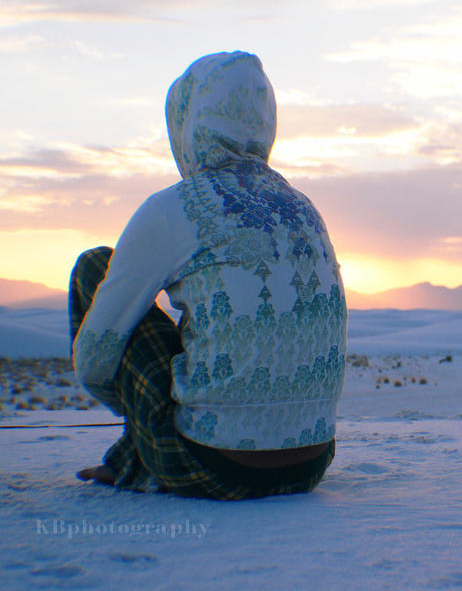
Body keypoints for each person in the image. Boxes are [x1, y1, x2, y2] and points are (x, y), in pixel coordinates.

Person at [71, 51, 348, 499]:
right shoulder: (303, 207)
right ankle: (142, 454)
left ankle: (139, 459)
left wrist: (143, 424)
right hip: (311, 464)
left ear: (187, 119)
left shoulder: (174, 206)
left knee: (95, 266)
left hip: (212, 466)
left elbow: (95, 358)